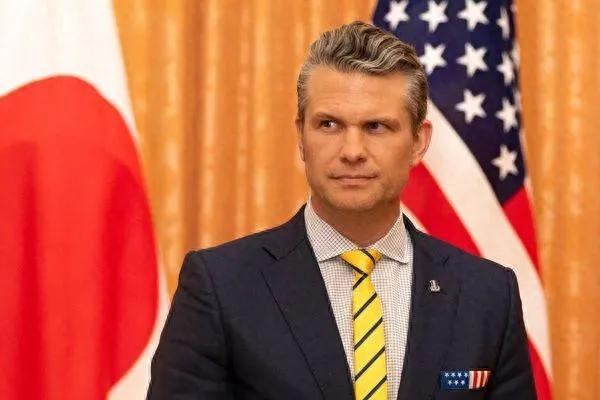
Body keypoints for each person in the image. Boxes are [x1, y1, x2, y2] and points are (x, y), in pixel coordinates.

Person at [147, 21, 536, 400]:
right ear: (301, 136)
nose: (352, 151)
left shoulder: (488, 296)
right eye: (329, 125)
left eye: (376, 127)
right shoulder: (221, 287)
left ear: (418, 142)